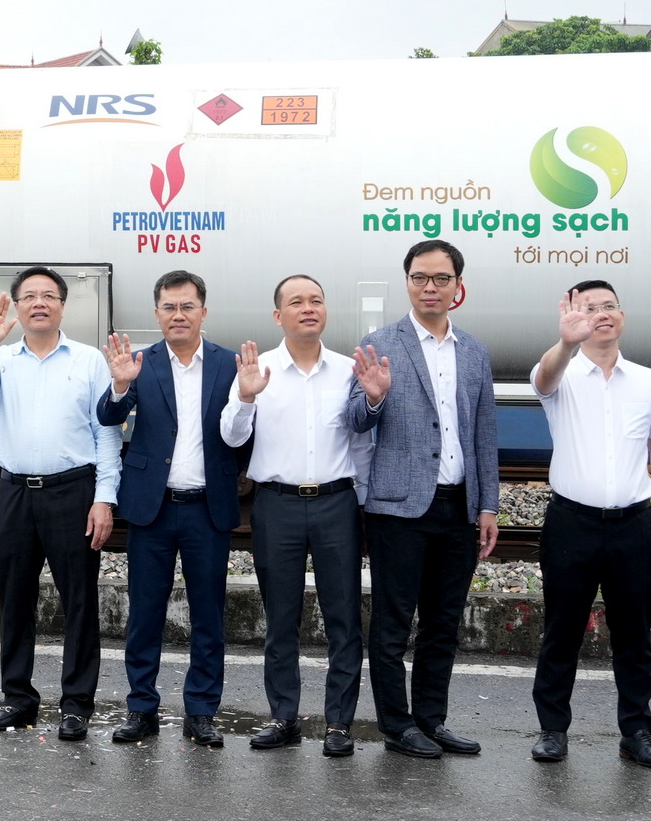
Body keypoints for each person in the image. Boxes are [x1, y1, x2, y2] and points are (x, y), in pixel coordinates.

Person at [350, 239, 498, 760]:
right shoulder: (380, 343)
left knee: (443, 623)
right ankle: (397, 724)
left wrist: (488, 505)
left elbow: (484, 434)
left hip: (458, 506)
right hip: (399, 508)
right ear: (407, 282)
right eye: (419, 277)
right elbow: (354, 420)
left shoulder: (474, 351)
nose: (429, 287)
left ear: (458, 286)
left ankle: (431, 720)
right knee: (392, 623)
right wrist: (374, 397)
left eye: (440, 278)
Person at [0, 266, 117, 741]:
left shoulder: (89, 360)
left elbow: (106, 433)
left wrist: (104, 498)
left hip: (73, 492)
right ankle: (18, 698)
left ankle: (76, 704)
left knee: (79, 601)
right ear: (18, 307)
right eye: (29, 296)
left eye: (49, 295)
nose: (39, 303)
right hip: (14, 493)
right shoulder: (2, 358)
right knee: (15, 599)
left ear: (63, 306)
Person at [524, 281, 651, 770]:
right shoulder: (560, 372)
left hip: (635, 524)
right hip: (572, 524)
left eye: (609, 306)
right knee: (562, 631)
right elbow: (544, 378)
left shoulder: (650, 382)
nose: (601, 314)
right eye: (590, 308)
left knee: (634, 637)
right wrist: (566, 342)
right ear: (574, 317)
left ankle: (636, 733)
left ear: (622, 316)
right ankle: (553, 730)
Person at [221, 275, 366, 757]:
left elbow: (363, 444)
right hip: (277, 505)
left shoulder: (348, 370)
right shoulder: (256, 369)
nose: (308, 308)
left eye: (316, 300)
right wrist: (246, 397)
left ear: (326, 310)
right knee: (280, 618)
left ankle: (339, 723)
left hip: (336, 504)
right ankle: (283, 717)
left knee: (344, 617)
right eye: (297, 302)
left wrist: (364, 502)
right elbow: (232, 438)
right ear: (277, 315)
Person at [96, 270, 240, 747]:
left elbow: (243, 433)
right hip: (152, 508)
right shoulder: (141, 362)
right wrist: (120, 387)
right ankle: (141, 708)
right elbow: (108, 417)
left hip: (207, 508)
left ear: (203, 311)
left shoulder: (229, 363)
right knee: (145, 614)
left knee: (208, 616)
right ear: (156, 313)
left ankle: (202, 712)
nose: (178, 315)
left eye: (187, 306)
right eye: (169, 307)